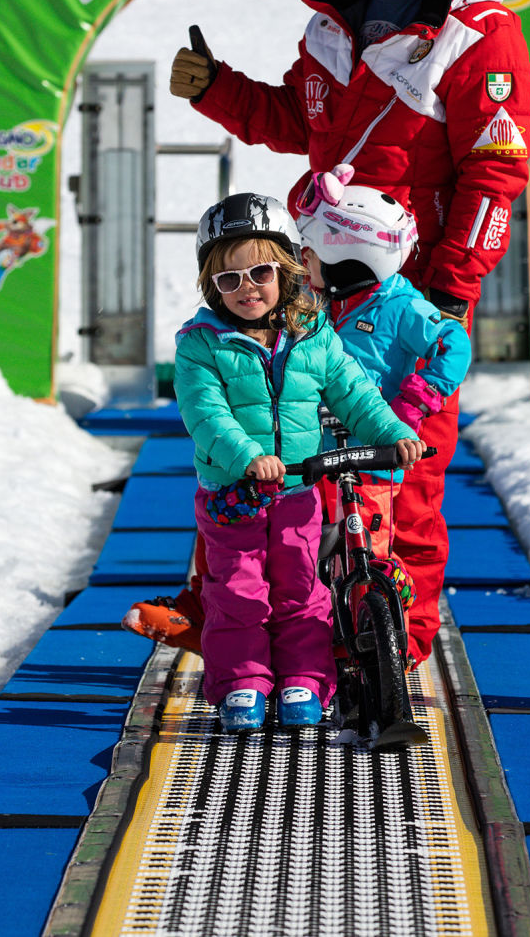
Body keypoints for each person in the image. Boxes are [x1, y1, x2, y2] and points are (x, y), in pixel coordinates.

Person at [168, 0, 530, 662]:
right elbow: (298, 122)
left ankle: (395, 642)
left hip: (410, 288)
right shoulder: (334, 19)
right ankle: (232, 610)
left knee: (400, 465)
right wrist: (216, 88)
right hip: (317, 272)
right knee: (271, 431)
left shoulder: (478, 33)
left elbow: (494, 175)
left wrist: (448, 291)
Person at [126, 173, 471, 665]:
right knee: (243, 526)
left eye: (306, 255)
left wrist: (412, 405)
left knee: (357, 547)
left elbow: (436, 350)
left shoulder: (394, 305)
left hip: (365, 450)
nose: (300, 265)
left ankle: (379, 644)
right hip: (302, 452)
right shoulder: (315, 307)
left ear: (348, 257)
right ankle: (215, 615)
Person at [173, 192, 423, 732]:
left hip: (298, 490)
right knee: (238, 590)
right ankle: (242, 681)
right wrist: (248, 457)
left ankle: (304, 678)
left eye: (260, 273)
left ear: (286, 269)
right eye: (229, 279)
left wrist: (394, 434)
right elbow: (206, 413)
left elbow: (354, 393)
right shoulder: (201, 346)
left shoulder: (313, 335)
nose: (247, 288)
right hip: (234, 493)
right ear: (212, 286)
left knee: (302, 586)